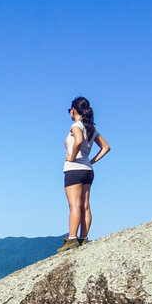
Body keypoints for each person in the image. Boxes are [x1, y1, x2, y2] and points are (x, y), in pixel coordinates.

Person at [57, 96, 110, 253]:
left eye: (70, 111)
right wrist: (91, 161)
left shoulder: (76, 126)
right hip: (87, 170)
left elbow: (78, 141)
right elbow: (106, 147)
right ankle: (83, 238)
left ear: (74, 110)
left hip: (73, 169)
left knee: (74, 205)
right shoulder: (91, 129)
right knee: (85, 205)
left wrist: (73, 156)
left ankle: (72, 239)